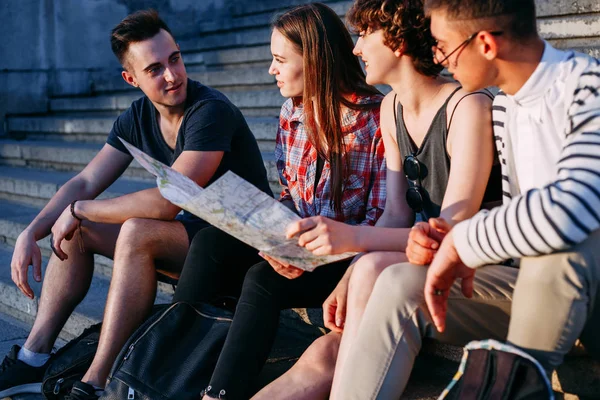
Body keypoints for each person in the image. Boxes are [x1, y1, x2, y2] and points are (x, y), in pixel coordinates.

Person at [304, 0, 599, 398]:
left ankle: (513, 381)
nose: (437, 54)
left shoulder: (586, 86)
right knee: (395, 282)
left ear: (486, 45)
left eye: (444, 44)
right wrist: (437, 236)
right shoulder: (506, 107)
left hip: (580, 281)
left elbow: (572, 207)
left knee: (559, 255)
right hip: (520, 281)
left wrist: (461, 238)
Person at [0, 9, 271, 400]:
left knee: (135, 230)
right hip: (192, 240)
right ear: (131, 79)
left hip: (238, 246)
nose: (173, 75)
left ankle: (96, 381)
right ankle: (33, 355)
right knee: (79, 232)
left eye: (175, 59)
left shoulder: (210, 111)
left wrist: (79, 210)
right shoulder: (138, 116)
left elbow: (168, 200)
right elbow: (85, 180)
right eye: (155, 69)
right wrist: (32, 230)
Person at [253, 0, 505, 398]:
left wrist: (352, 240)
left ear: (397, 41)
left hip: (474, 266)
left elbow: (452, 232)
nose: (355, 49)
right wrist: (350, 275)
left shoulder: (468, 106)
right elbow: (394, 215)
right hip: (413, 257)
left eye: (364, 34)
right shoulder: (391, 108)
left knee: (355, 299)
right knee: (329, 342)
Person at [171, 3, 385, 399]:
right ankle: (166, 366)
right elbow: (290, 194)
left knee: (262, 280)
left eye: (280, 60)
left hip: (349, 257)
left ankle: (219, 393)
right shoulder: (292, 112)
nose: (272, 69)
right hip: (299, 244)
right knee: (209, 242)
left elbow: (381, 221)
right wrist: (272, 238)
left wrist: (307, 246)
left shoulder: (373, 121)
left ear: (316, 61)